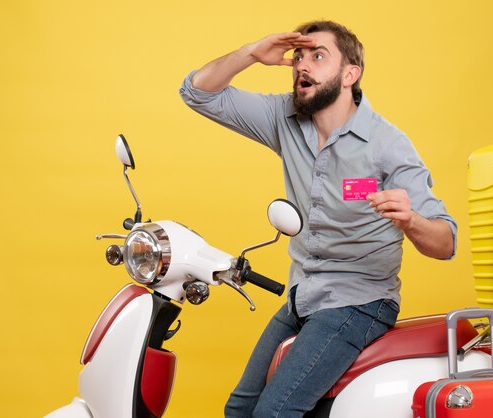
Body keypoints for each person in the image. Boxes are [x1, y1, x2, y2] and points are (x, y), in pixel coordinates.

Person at [180, 20, 456, 418]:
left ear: (350, 74)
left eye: (318, 56)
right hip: (303, 295)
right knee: (238, 411)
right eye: (299, 57)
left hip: (360, 301)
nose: (302, 66)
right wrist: (251, 53)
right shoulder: (284, 118)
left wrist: (411, 220)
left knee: (274, 413)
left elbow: (445, 243)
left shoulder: (387, 145)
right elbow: (197, 93)